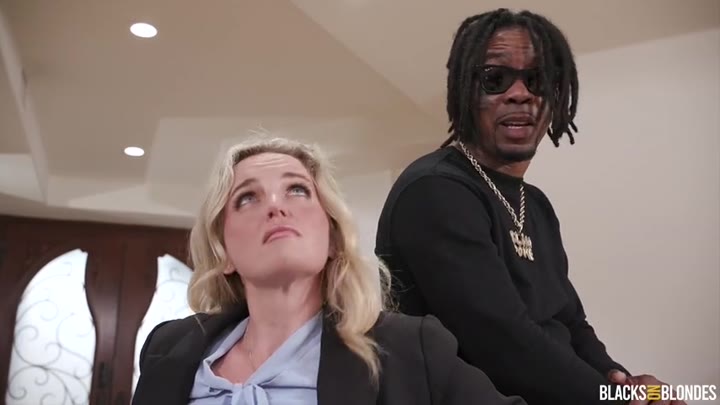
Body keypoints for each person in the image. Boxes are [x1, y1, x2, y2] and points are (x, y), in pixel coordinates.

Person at [375, 8, 685, 405]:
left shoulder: (535, 204)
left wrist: (627, 383)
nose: (519, 93)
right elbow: (503, 343)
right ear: (464, 91)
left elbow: (570, 322)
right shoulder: (435, 191)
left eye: (537, 79)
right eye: (495, 79)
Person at [131, 136, 525, 405]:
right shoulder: (167, 348)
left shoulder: (410, 349)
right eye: (247, 197)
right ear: (224, 252)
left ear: (333, 237)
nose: (275, 206)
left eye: (297, 190)